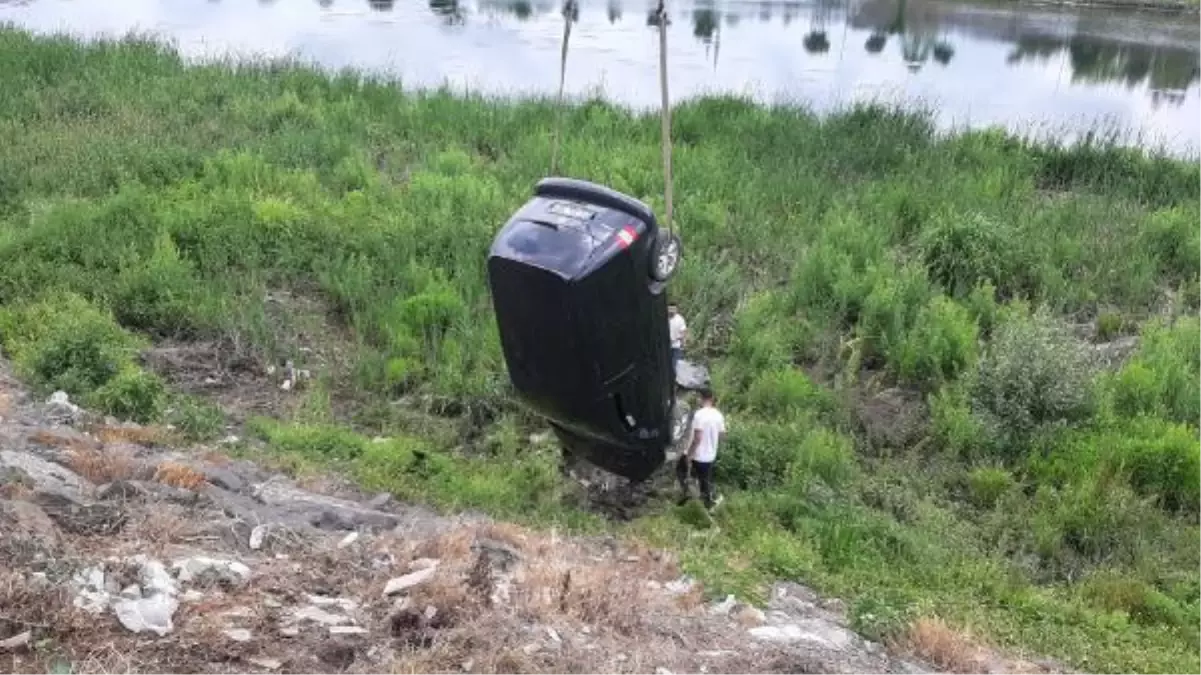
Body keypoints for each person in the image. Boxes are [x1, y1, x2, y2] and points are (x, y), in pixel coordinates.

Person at [677, 387, 725, 511]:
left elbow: (697, 437)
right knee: (704, 480)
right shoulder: (718, 415)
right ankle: (704, 502)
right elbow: (722, 436)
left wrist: (689, 454)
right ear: (712, 398)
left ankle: (693, 499)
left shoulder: (699, 415)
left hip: (697, 454)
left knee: (682, 470)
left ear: (701, 398)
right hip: (710, 455)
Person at [668, 303, 687, 371]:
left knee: (675, 366)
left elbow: (683, 331)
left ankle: (674, 380)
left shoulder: (680, 319)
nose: (671, 311)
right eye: (670, 309)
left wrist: (683, 344)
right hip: (666, 347)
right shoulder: (664, 318)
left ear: (676, 310)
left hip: (676, 346)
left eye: (673, 309)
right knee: (667, 367)